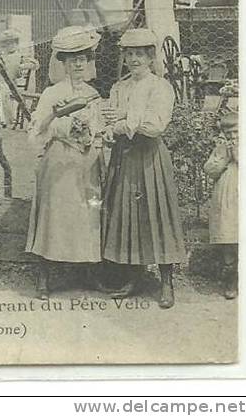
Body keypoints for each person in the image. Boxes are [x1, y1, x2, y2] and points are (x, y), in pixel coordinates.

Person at [100, 28, 185, 309]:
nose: (134, 59)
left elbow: (154, 126)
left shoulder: (160, 87)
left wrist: (125, 119)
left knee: (157, 213)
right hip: (124, 157)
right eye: (129, 54)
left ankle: (166, 282)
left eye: (140, 54)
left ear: (151, 56)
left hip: (150, 157)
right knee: (129, 215)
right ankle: (134, 276)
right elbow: (108, 123)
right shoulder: (119, 88)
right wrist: (113, 127)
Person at [25, 26, 105, 300]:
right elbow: (37, 130)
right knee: (55, 214)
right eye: (73, 59)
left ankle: (86, 272)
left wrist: (90, 131)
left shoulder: (93, 94)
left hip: (85, 161)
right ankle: (44, 275)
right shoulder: (51, 93)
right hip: (59, 158)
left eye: (83, 58)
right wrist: (57, 119)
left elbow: (99, 128)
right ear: (63, 63)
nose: (78, 64)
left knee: (86, 215)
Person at [203, 110, 238, 300]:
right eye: (229, 133)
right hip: (226, 199)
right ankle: (231, 279)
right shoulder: (221, 149)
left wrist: (239, 154)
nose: (233, 137)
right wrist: (223, 158)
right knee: (229, 235)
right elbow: (209, 169)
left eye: (237, 133)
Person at [0, 30, 39, 126]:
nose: (9, 46)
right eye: (7, 43)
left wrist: (22, 66)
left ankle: (4, 120)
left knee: (2, 91)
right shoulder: (2, 55)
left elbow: (35, 64)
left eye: (12, 43)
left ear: (16, 43)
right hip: (1, 82)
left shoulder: (19, 56)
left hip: (11, 84)